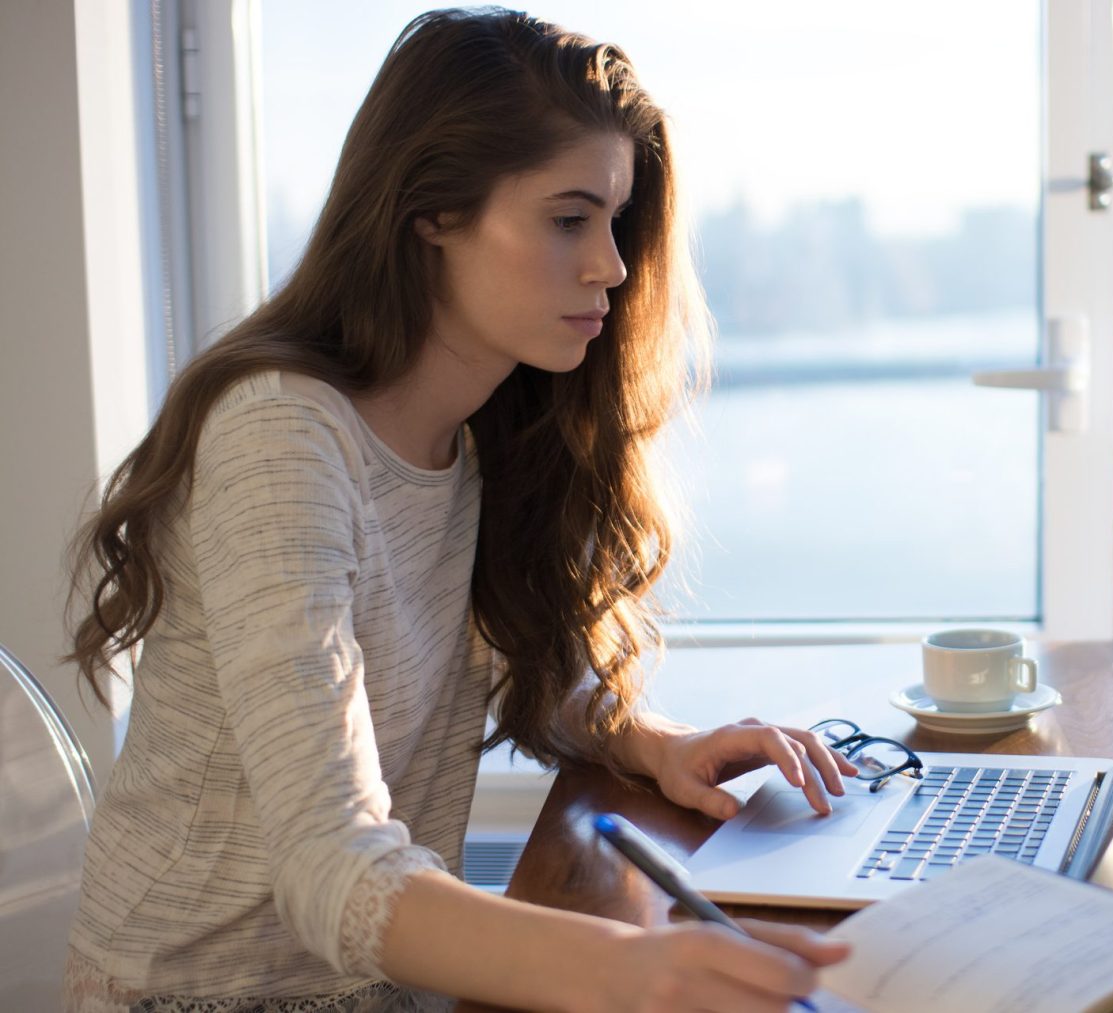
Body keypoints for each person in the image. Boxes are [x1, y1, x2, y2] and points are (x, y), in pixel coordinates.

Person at [63, 9, 856, 1011]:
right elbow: (328, 866)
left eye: (612, 221)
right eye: (569, 218)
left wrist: (655, 743)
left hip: (377, 987)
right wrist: (624, 967)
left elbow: (523, 668)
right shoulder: (279, 440)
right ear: (431, 211)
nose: (609, 264)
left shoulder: (484, 430)